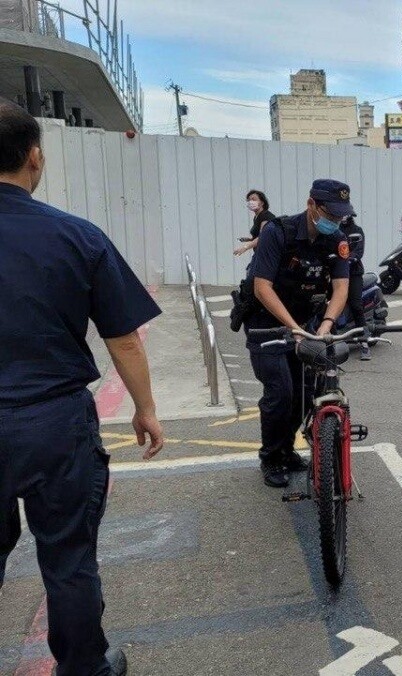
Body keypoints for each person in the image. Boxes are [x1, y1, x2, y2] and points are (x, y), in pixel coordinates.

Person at [0, 98, 164, 676]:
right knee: (68, 558)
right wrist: (144, 409)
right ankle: (83, 670)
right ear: (34, 158)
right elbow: (124, 339)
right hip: (53, 422)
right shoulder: (76, 236)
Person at [245, 179, 352, 487]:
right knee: (280, 392)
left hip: (305, 324)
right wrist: (293, 328)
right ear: (311, 205)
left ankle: (287, 448)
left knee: (306, 391)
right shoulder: (277, 232)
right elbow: (261, 286)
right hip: (266, 322)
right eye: (330, 215)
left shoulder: (337, 240)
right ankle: (271, 457)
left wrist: (326, 324)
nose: (335, 222)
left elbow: (341, 287)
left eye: (340, 217)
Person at [340, 215, 372, 361]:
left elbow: (358, 252)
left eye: (345, 213)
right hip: (335, 273)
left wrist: (348, 259)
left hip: (353, 272)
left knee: (355, 305)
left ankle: (364, 342)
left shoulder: (356, 231)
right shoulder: (332, 230)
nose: (342, 216)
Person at [234, 189, 275, 257]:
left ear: (262, 203)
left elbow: (263, 237)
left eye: (254, 199)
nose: (251, 202)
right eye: (249, 200)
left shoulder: (266, 216)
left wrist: (245, 247)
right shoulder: (257, 217)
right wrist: (250, 239)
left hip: (268, 254)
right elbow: (259, 235)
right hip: (261, 253)